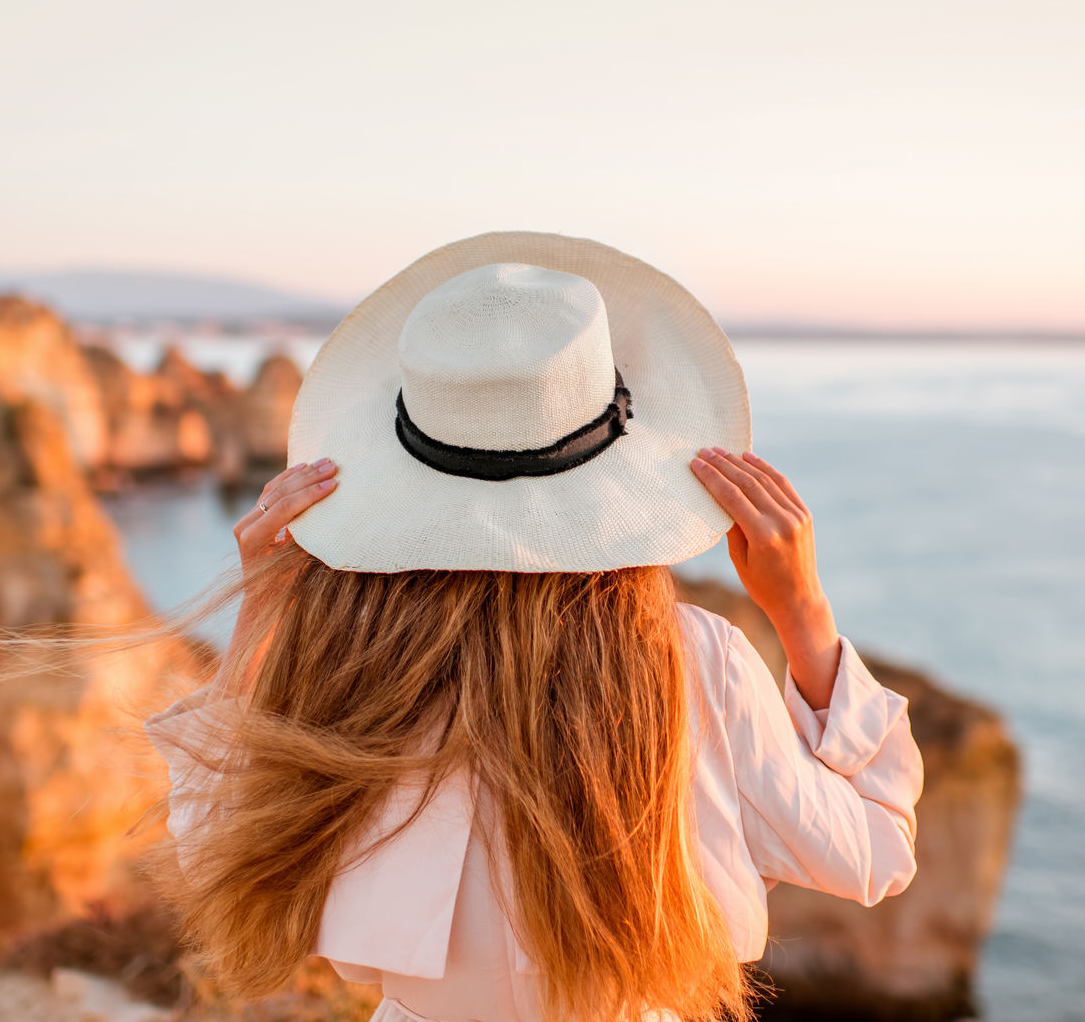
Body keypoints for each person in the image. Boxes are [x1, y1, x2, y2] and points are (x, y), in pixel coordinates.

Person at [145, 232, 922, 1022]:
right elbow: (879, 850)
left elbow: (212, 846)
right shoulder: (696, 663)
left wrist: (262, 613)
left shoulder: (347, 666)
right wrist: (802, 612)